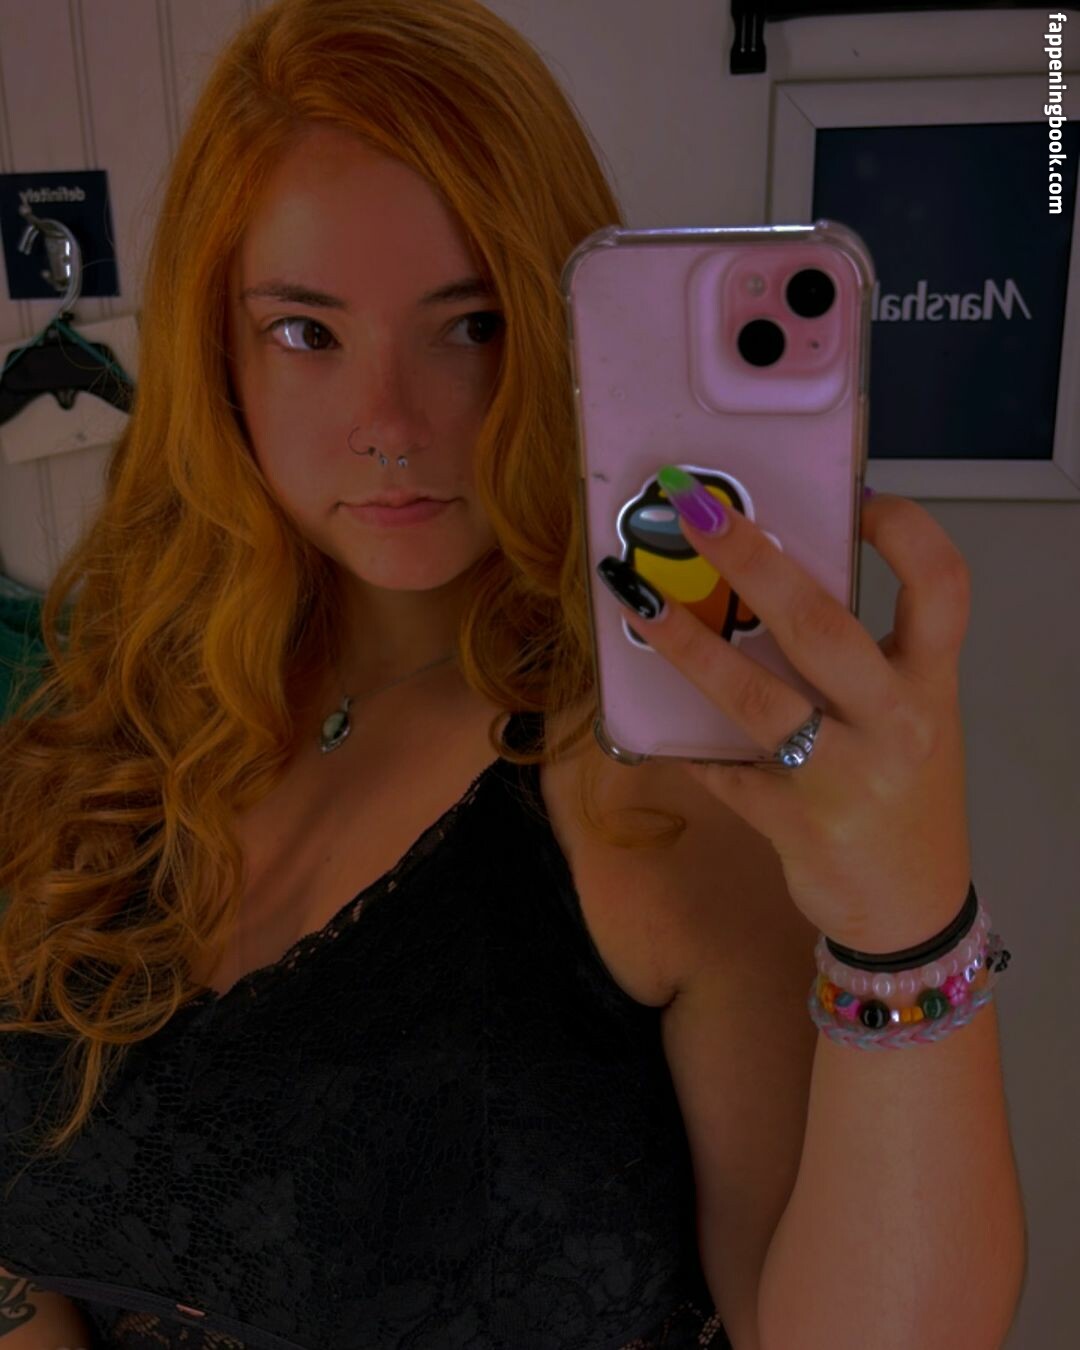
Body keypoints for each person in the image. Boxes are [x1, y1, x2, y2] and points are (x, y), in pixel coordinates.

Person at [0, 1, 1026, 1348]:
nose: (390, 426)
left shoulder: (663, 778)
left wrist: (909, 920)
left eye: (471, 324)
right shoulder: (116, 718)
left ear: (568, 331)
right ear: (217, 354)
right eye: (307, 332)